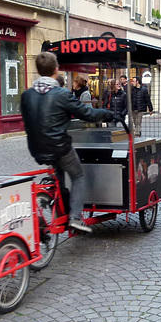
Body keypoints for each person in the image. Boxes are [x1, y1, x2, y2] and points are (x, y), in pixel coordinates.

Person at [21, 52, 113, 233]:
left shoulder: (26, 95)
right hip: (59, 147)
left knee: (59, 177)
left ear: (39, 71)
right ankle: (75, 217)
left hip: (37, 148)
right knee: (77, 176)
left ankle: (60, 210)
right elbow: (88, 114)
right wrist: (106, 113)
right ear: (56, 69)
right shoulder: (61, 94)